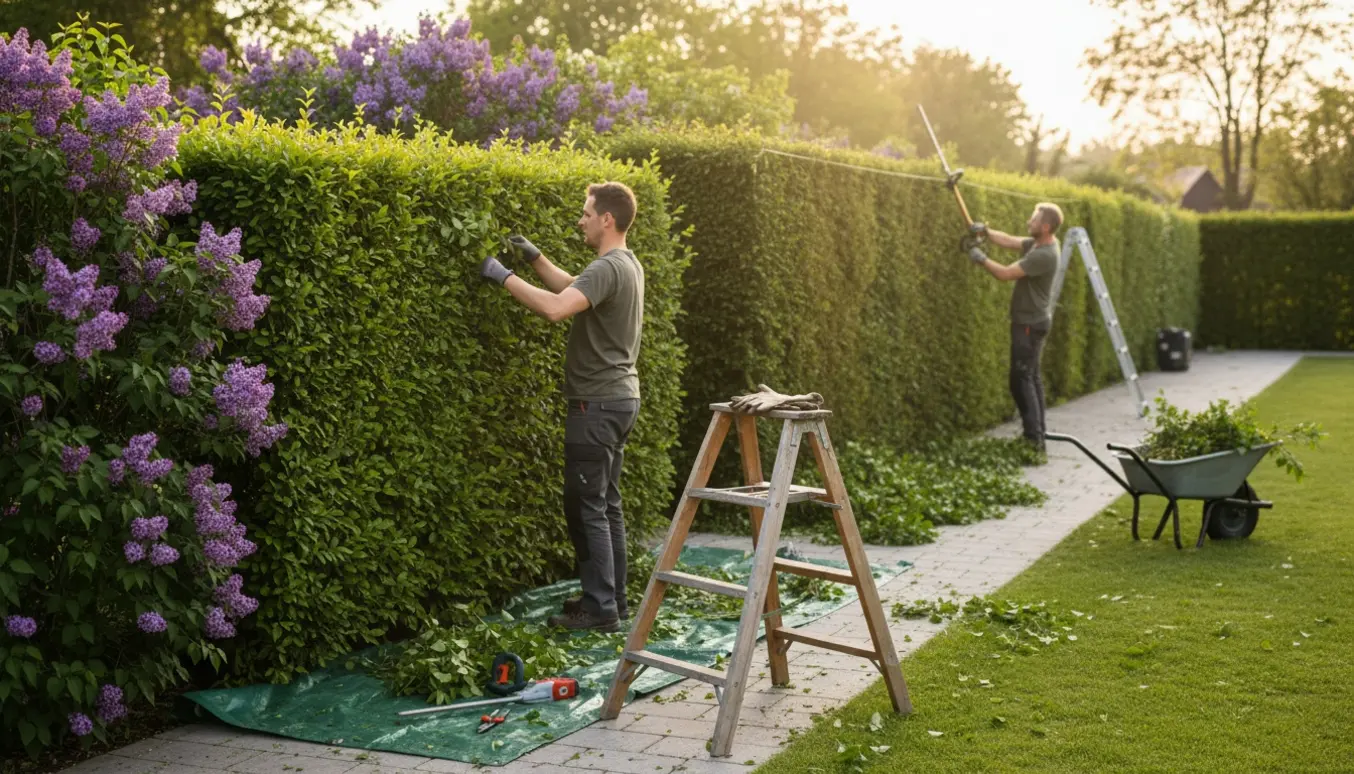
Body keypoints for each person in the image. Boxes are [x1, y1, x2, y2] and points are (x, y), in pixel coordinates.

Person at [478, 182, 644, 632]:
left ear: (607, 219)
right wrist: (534, 259)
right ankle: (614, 599)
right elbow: (573, 287)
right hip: (619, 400)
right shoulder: (623, 264)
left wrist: (502, 276)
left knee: (586, 504)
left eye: (587, 213)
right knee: (605, 503)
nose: (581, 220)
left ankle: (600, 608)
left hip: (597, 405)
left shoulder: (609, 266)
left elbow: (555, 308)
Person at [968, 203, 1063, 452]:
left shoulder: (1044, 254)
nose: (1028, 223)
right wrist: (986, 232)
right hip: (1033, 321)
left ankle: (1033, 440)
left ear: (1045, 226)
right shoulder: (1040, 243)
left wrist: (981, 259)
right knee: (1030, 377)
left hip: (1030, 324)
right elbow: (1009, 241)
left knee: (1020, 379)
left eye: (1033, 220)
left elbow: (1006, 274)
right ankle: (1038, 435)